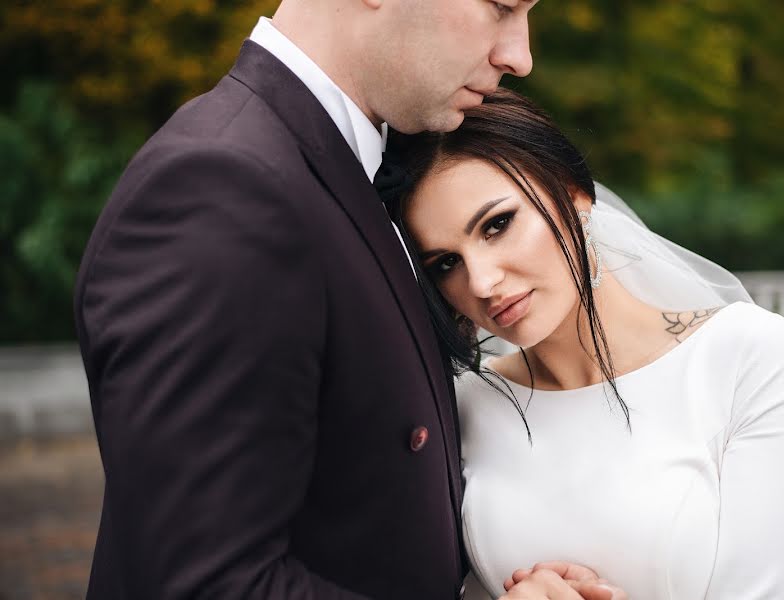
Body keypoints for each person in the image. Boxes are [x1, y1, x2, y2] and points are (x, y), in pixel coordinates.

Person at [69, 2, 585, 599]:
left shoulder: (341, 169)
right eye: (500, 6)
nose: (518, 56)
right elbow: (203, 584)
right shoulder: (220, 188)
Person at [379, 88, 784, 599]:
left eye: (497, 225)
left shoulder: (744, 355)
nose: (482, 282)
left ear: (574, 194)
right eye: (446, 263)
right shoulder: (465, 403)